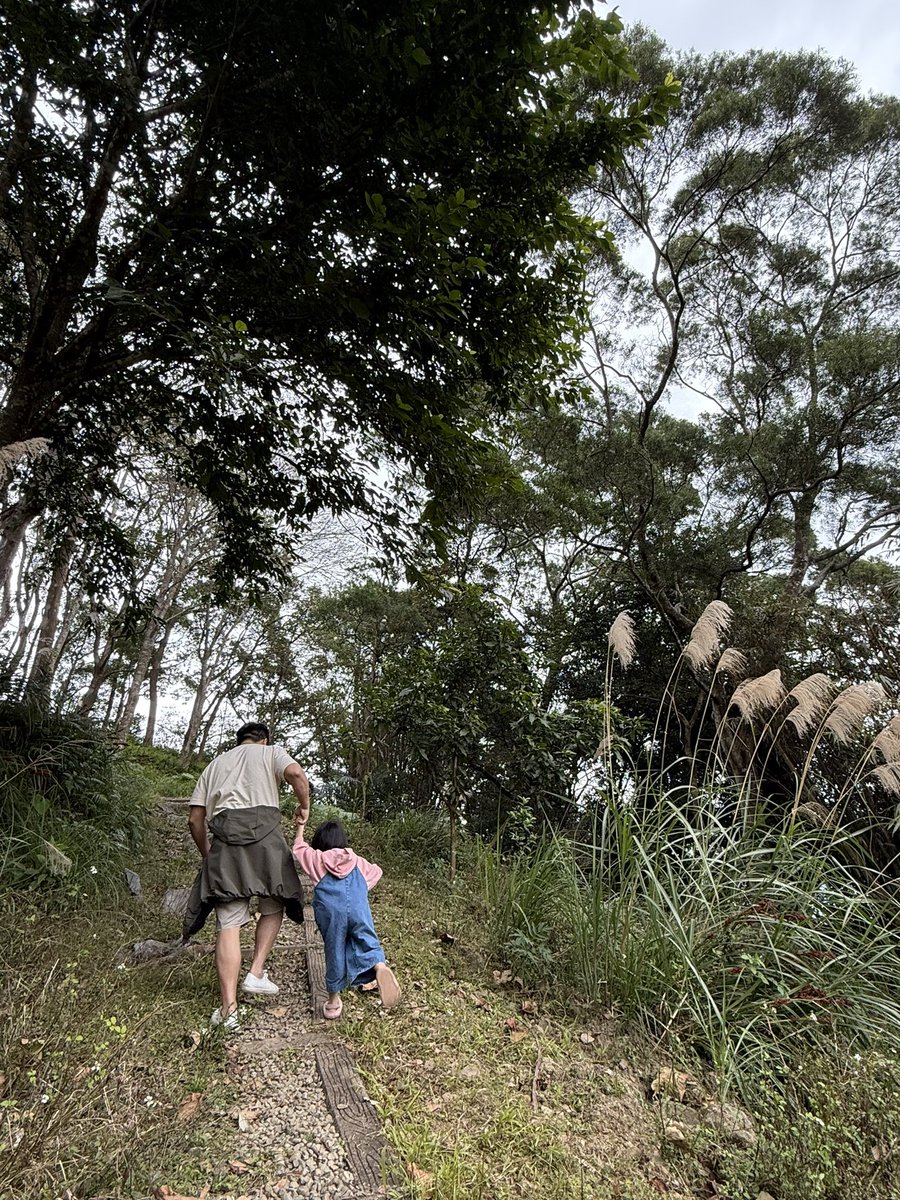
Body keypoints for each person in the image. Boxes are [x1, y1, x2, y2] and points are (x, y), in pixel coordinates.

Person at [184, 721, 310, 1029]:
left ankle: (229, 1010)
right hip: (267, 841)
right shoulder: (271, 753)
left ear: (239, 741)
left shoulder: (215, 764)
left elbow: (195, 819)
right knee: (273, 904)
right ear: (265, 740)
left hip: (226, 845)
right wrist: (303, 805)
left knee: (228, 922)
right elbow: (295, 773)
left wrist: (207, 853)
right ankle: (255, 972)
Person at [292, 818, 400, 1019]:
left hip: (331, 914)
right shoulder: (356, 860)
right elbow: (377, 872)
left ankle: (333, 1001)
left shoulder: (317, 858)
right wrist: (361, 889)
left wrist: (300, 828)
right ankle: (379, 966)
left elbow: (298, 848)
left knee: (335, 950)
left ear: (320, 842)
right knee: (367, 939)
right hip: (359, 909)